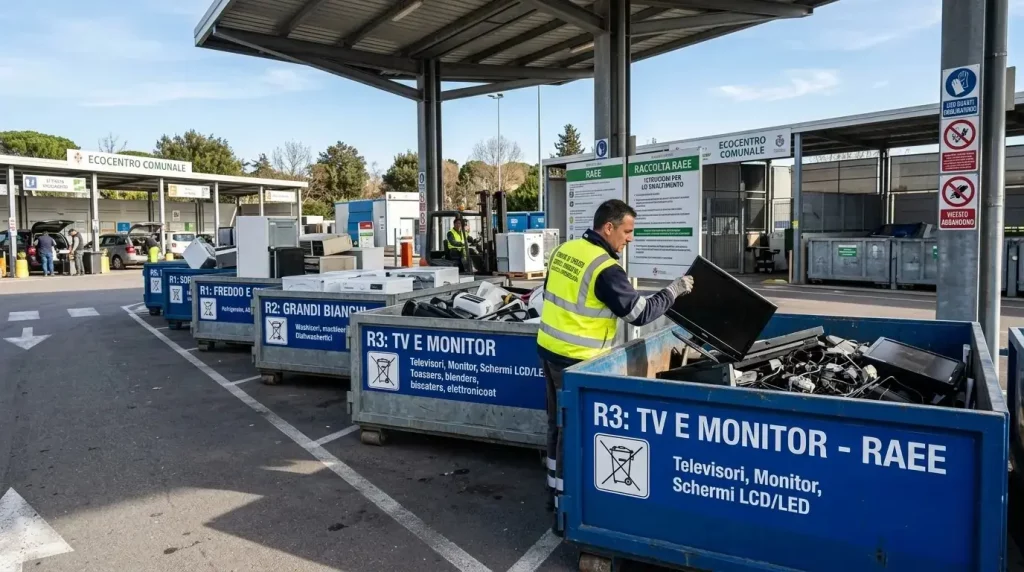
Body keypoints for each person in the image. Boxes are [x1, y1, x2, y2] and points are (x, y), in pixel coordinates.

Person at [536, 199, 694, 530]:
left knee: (555, 423)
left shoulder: (566, 250)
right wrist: (674, 290)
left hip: (548, 349)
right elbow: (640, 313)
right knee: (570, 431)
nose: (630, 238)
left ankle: (553, 490)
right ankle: (566, 510)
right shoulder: (604, 267)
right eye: (627, 231)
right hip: (577, 361)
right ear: (608, 228)